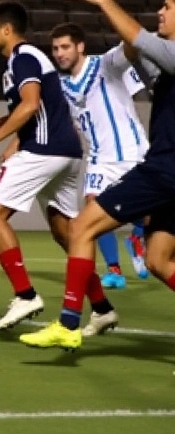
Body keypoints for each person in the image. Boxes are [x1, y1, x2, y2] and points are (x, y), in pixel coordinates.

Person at [22, 0, 175, 352]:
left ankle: (70, 322)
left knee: (82, 227)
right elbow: (145, 53)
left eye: (168, 6)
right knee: (159, 260)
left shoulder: (153, 56)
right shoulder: (163, 64)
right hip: (151, 167)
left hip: (161, 168)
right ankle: (98, 306)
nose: (160, 11)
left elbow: (136, 44)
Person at [0, 1, 115, 331]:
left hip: (44, 150)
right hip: (66, 152)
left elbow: (31, 105)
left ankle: (26, 294)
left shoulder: (24, 57)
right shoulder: (23, 61)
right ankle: (102, 308)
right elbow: (36, 106)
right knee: (68, 234)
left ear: (6, 29)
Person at [49, 21, 150, 290]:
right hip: (99, 160)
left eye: (65, 47)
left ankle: (138, 235)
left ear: (80, 46)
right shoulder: (60, 85)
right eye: (56, 48)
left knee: (149, 214)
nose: (60, 53)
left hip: (133, 151)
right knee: (94, 208)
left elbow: (131, 46)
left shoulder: (107, 64)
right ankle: (113, 269)